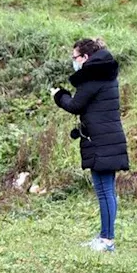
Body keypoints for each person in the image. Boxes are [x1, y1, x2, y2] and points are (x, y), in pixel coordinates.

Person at [50, 37, 129, 253]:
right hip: (108, 139)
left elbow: (75, 105)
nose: (73, 61)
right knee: (107, 191)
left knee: (104, 192)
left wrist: (59, 96)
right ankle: (105, 235)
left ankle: (107, 240)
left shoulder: (93, 76)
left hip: (101, 141)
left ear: (85, 57)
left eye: (75, 57)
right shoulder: (105, 73)